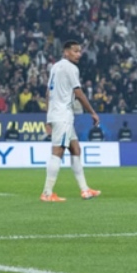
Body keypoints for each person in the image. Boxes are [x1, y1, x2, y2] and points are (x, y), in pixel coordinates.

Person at [40, 40, 101, 202]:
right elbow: (78, 93)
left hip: (57, 114)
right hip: (63, 115)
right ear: (65, 52)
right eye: (75, 51)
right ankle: (47, 193)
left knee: (75, 149)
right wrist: (92, 112)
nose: (78, 54)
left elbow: (48, 93)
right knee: (58, 152)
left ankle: (85, 190)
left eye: (79, 51)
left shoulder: (55, 67)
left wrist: (48, 118)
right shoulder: (71, 68)